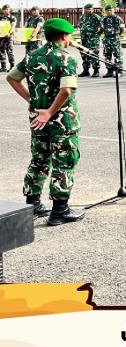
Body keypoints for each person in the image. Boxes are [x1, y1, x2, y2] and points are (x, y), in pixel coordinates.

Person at [7, 16, 85, 225]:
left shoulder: (33, 56)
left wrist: (33, 101)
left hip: (37, 119)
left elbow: (12, 77)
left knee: (39, 159)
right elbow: (66, 90)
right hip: (61, 121)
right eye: (69, 35)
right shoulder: (65, 58)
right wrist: (50, 111)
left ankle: (33, 205)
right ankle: (60, 211)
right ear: (63, 36)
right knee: (64, 162)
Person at [77, 3, 103, 76]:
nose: (89, 10)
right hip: (84, 39)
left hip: (93, 39)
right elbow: (81, 26)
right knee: (84, 54)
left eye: (91, 9)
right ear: (84, 10)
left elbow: (102, 27)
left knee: (94, 54)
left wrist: (97, 35)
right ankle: (86, 70)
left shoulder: (96, 17)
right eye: (88, 9)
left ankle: (96, 71)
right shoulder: (82, 17)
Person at [101, 6, 123, 76]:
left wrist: (117, 35)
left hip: (115, 38)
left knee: (117, 55)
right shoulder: (104, 19)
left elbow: (122, 29)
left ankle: (119, 71)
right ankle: (109, 71)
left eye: (110, 10)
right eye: (107, 10)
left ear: (113, 10)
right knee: (107, 55)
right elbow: (102, 28)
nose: (109, 11)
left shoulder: (118, 19)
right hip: (107, 39)